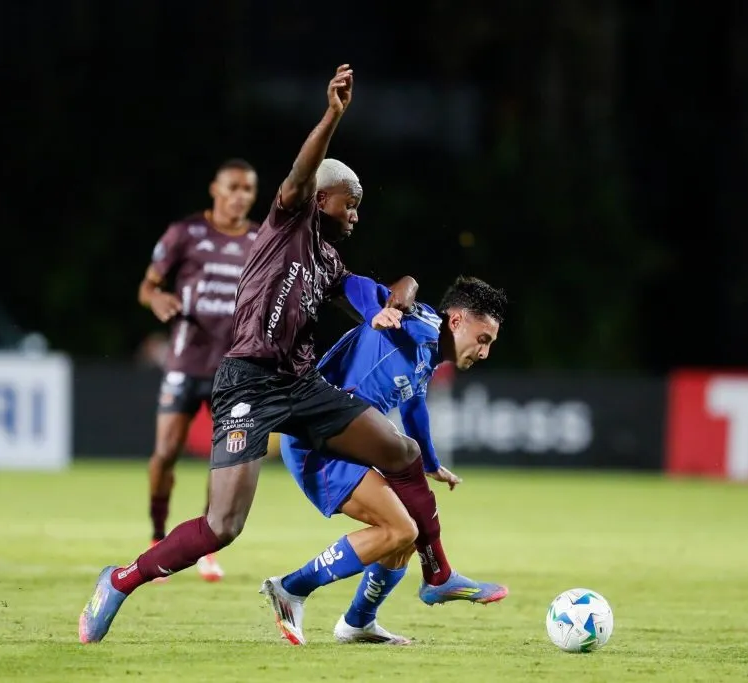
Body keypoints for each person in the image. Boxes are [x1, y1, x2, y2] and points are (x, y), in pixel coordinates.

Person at [79, 64, 438, 645]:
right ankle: (120, 580)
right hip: (247, 383)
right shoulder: (287, 221)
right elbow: (301, 170)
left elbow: (373, 291)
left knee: (402, 449)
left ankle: (434, 566)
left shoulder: (328, 259)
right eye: (350, 204)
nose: (356, 214)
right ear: (321, 199)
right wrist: (332, 117)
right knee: (223, 527)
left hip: (303, 387)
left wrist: (395, 299)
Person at [263, 275, 510, 646]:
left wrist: (430, 462)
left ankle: (359, 622)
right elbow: (358, 284)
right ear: (456, 321)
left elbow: (414, 410)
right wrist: (389, 306)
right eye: (483, 339)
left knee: (408, 529)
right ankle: (291, 588)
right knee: (402, 530)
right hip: (316, 443)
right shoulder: (420, 324)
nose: (484, 352)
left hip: (344, 442)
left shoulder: (426, 354)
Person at [138, 159, 260, 582]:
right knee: (165, 453)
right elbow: (148, 286)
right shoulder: (185, 234)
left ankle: (206, 543)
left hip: (233, 367)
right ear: (215, 188)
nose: (240, 195)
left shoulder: (260, 239)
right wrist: (157, 301)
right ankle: (158, 536)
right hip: (185, 362)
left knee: (222, 459)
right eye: (233, 187)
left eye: (248, 189)